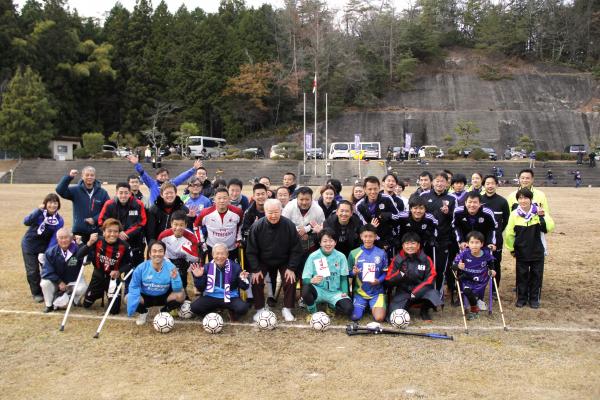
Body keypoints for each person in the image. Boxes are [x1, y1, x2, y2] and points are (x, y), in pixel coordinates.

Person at [246, 199, 303, 322]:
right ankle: (260, 309)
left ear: (281, 211)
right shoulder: (257, 226)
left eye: (276, 212)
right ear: (265, 212)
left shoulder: (289, 225)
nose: (273, 215)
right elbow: (251, 251)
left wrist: (291, 267)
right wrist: (255, 269)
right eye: (270, 212)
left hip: (284, 259)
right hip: (263, 259)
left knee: (290, 278)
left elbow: (296, 249)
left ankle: (287, 308)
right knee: (256, 279)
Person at [504, 188, 555, 308]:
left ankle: (534, 299)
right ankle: (521, 298)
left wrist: (542, 216)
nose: (523, 200)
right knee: (521, 275)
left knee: (536, 275)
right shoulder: (514, 214)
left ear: (531, 199)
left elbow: (549, 228)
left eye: (526, 198)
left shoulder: (539, 211)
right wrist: (511, 248)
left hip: (537, 250)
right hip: (521, 250)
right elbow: (509, 234)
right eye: (520, 198)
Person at [79, 218, 132, 314]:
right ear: (103, 232)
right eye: (109, 231)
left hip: (113, 279)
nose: (112, 234)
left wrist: (119, 272)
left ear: (119, 233)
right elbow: (79, 255)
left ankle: (111, 294)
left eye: (115, 231)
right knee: (86, 304)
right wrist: (89, 243)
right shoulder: (96, 241)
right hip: (97, 276)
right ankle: (98, 293)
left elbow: (130, 264)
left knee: (114, 311)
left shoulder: (125, 246)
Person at [385, 232, 442, 321]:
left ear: (418, 245)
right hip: (403, 292)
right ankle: (405, 306)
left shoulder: (426, 259)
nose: (410, 246)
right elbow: (388, 279)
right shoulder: (397, 259)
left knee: (434, 294)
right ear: (403, 246)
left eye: (413, 243)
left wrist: (415, 292)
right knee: (392, 316)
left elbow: (431, 278)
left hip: (420, 291)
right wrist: (400, 274)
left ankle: (424, 311)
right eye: (407, 243)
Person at [126, 240, 185, 325]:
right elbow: (134, 286)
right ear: (149, 254)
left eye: (160, 251)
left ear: (164, 253)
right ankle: (143, 312)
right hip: (145, 297)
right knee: (128, 298)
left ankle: (164, 311)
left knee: (181, 294)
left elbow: (177, 289)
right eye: (154, 251)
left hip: (163, 296)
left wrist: (175, 279)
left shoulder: (171, 267)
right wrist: (132, 306)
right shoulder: (141, 268)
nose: (157, 254)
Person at [302, 228, 353, 320]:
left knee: (348, 309)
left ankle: (331, 306)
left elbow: (344, 278)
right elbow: (305, 279)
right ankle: (313, 313)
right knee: (306, 289)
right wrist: (311, 280)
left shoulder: (341, 256)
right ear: (320, 243)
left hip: (335, 292)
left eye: (331, 241)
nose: (328, 244)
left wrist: (345, 292)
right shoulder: (313, 256)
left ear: (335, 242)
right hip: (319, 290)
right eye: (325, 241)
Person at [22, 193, 64, 302]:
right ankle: (36, 293)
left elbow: (55, 237)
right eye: (50, 202)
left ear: (58, 205)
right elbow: (26, 222)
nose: (52, 205)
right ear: (45, 204)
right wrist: (37, 211)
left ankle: (51, 290)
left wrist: (47, 252)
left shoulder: (59, 220)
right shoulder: (39, 214)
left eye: (55, 203)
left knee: (48, 268)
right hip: (29, 244)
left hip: (45, 246)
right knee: (32, 270)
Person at [190, 243, 250, 320]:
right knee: (194, 307)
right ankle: (212, 311)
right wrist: (198, 277)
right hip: (211, 296)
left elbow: (244, 287)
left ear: (227, 254)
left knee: (243, 308)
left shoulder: (235, 267)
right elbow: (200, 288)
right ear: (212, 254)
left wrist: (244, 279)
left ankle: (231, 311)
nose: (220, 256)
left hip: (230, 297)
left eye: (222, 254)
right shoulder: (207, 267)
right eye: (217, 253)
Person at [421, 172, 456, 297]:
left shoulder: (452, 199)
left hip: (443, 240)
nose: (439, 183)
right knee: (425, 269)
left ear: (447, 183)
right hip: (426, 239)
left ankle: (437, 295)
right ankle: (425, 294)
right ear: (432, 182)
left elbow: (455, 220)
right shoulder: (424, 196)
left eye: (442, 181)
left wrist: (448, 213)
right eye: (437, 181)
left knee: (440, 269)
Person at [98, 182, 147, 269]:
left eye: (126, 193)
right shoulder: (109, 204)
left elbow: (142, 222)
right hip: (114, 243)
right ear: (116, 193)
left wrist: (127, 233)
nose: (123, 195)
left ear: (130, 193)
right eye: (121, 193)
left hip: (134, 242)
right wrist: (117, 233)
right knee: (114, 269)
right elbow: (101, 221)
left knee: (133, 270)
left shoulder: (138, 204)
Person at [56, 166, 109, 242]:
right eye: (87, 175)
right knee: (80, 253)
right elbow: (59, 190)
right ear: (82, 176)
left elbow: (107, 209)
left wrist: (95, 219)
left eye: (92, 175)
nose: (89, 177)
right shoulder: (76, 190)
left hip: (96, 231)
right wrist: (69, 177)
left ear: (95, 177)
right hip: (79, 231)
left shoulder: (102, 192)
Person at [40, 228, 87, 313]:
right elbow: (47, 271)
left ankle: (74, 301)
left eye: (66, 237)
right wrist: (59, 282)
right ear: (57, 239)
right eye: (61, 238)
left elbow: (88, 259)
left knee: (82, 288)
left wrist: (81, 245)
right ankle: (49, 305)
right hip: (57, 281)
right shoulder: (50, 252)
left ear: (71, 238)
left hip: (73, 280)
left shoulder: (78, 249)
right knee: (44, 283)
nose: (64, 240)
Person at [451, 231, 496, 319]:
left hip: (481, 279)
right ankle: (474, 308)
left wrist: (492, 270)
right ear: (467, 244)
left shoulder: (486, 254)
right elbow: (452, 266)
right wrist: (458, 266)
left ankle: (478, 301)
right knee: (467, 291)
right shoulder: (464, 254)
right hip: (467, 279)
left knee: (478, 294)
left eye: (477, 242)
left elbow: (491, 263)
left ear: (482, 244)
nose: (474, 245)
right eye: (472, 242)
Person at [348, 225, 388, 322]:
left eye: (370, 236)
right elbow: (348, 273)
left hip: (377, 293)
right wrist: (353, 272)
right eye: (365, 236)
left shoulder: (382, 253)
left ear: (375, 237)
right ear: (361, 236)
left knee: (379, 318)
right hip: (360, 293)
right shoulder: (353, 253)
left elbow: (386, 273)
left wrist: (378, 281)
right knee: (355, 317)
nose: (368, 239)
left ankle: (374, 305)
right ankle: (364, 305)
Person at [355, 176, 401, 258]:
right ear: (364, 189)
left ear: (379, 188)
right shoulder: (359, 205)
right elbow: (362, 226)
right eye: (369, 189)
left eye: (375, 189)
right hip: (370, 241)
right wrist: (370, 227)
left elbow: (398, 217)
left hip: (387, 239)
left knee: (388, 265)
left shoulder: (386, 199)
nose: (373, 192)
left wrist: (388, 215)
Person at [158, 210, 200, 299]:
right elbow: (159, 252)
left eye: (181, 225)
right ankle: (166, 292)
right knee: (168, 276)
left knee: (181, 275)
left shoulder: (191, 237)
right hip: (167, 259)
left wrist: (187, 251)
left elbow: (195, 259)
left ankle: (183, 291)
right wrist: (169, 264)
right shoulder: (163, 235)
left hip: (183, 260)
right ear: (171, 224)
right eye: (175, 224)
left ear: (186, 225)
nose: (178, 228)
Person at [127, 154, 201, 204]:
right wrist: (137, 164)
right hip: (155, 211)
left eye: (165, 175)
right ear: (156, 176)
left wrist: (193, 169)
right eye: (161, 175)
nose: (163, 177)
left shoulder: (172, 183)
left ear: (168, 176)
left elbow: (182, 177)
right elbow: (142, 173)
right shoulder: (152, 183)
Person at [194, 187, 242, 262]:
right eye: (219, 198)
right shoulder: (205, 213)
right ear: (214, 199)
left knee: (231, 272)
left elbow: (240, 225)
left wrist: (238, 239)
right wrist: (201, 241)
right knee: (213, 272)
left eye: (225, 198)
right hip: (213, 249)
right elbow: (196, 225)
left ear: (229, 199)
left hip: (231, 249)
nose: (222, 201)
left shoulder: (238, 212)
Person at [282, 186, 326, 268]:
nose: (304, 202)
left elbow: (322, 227)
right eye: (301, 199)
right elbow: (283, 224)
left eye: (307, 199)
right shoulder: (289, 207)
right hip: (292, 243)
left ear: (311, 199)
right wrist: (298, 231)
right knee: (293, 268)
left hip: (311, 243)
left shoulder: (318, 210)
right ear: (297, 198)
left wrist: (307, 230)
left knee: (310, 267)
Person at [481, 175, 510, 286]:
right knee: (479, 263)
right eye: (487, 183)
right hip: (481, 239)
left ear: (497, 185)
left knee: (495, 263)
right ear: (484, 185)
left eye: (492, 183)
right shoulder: (479, 200)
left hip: (496, 240)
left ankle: (494, 288)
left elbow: (506, 220)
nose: (490, 186)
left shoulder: (502, 201)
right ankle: (480, 287)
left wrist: (497, 232)